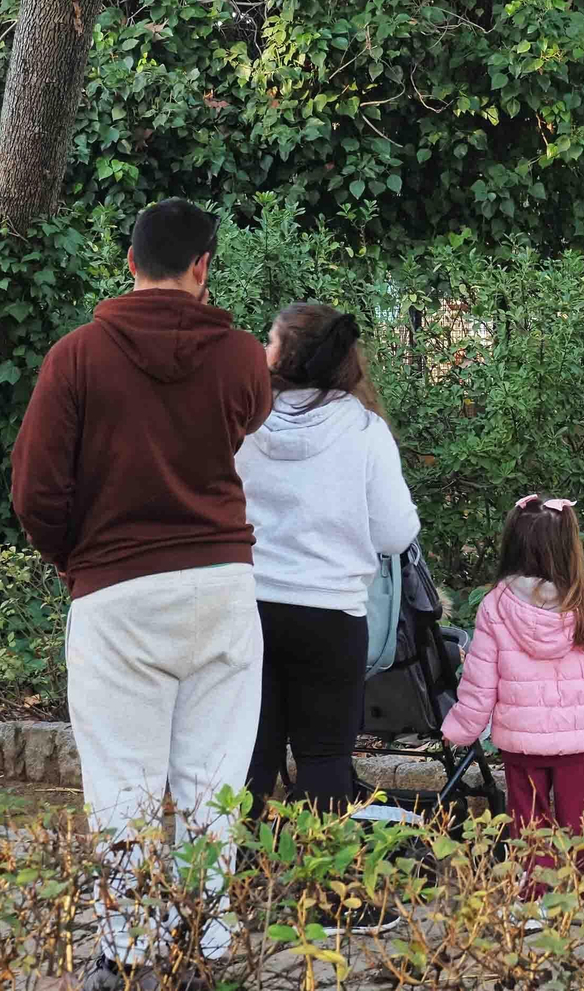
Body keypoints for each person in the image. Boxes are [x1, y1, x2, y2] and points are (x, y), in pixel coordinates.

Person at [10, 199, 272, 991]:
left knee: (122, 783)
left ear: (129, 261)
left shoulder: (76, 357)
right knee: (213, 782)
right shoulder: (242, 357)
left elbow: (34, 492)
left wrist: (79, 560)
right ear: (203, 265)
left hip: (116, 593)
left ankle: (126, 955)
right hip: (222, 584)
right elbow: (247, 434)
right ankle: (205, 947)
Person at [237, 304, 419, 852]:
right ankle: (320, 879)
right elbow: (395, 534)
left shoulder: (243, 422)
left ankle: (235, 875)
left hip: (249, 606)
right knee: (324, 760)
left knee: (249, 755)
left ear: (285, 357)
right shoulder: (363, 430)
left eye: (270, 339)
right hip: (331, 615)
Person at [440, 494, 584, 918]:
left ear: (514, 544)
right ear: (570, 545)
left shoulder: (497, 604)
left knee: (529, 820)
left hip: (521, 742)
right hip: (577, 742)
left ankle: (534, 902)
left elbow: (479, 679)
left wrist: (461, 727)